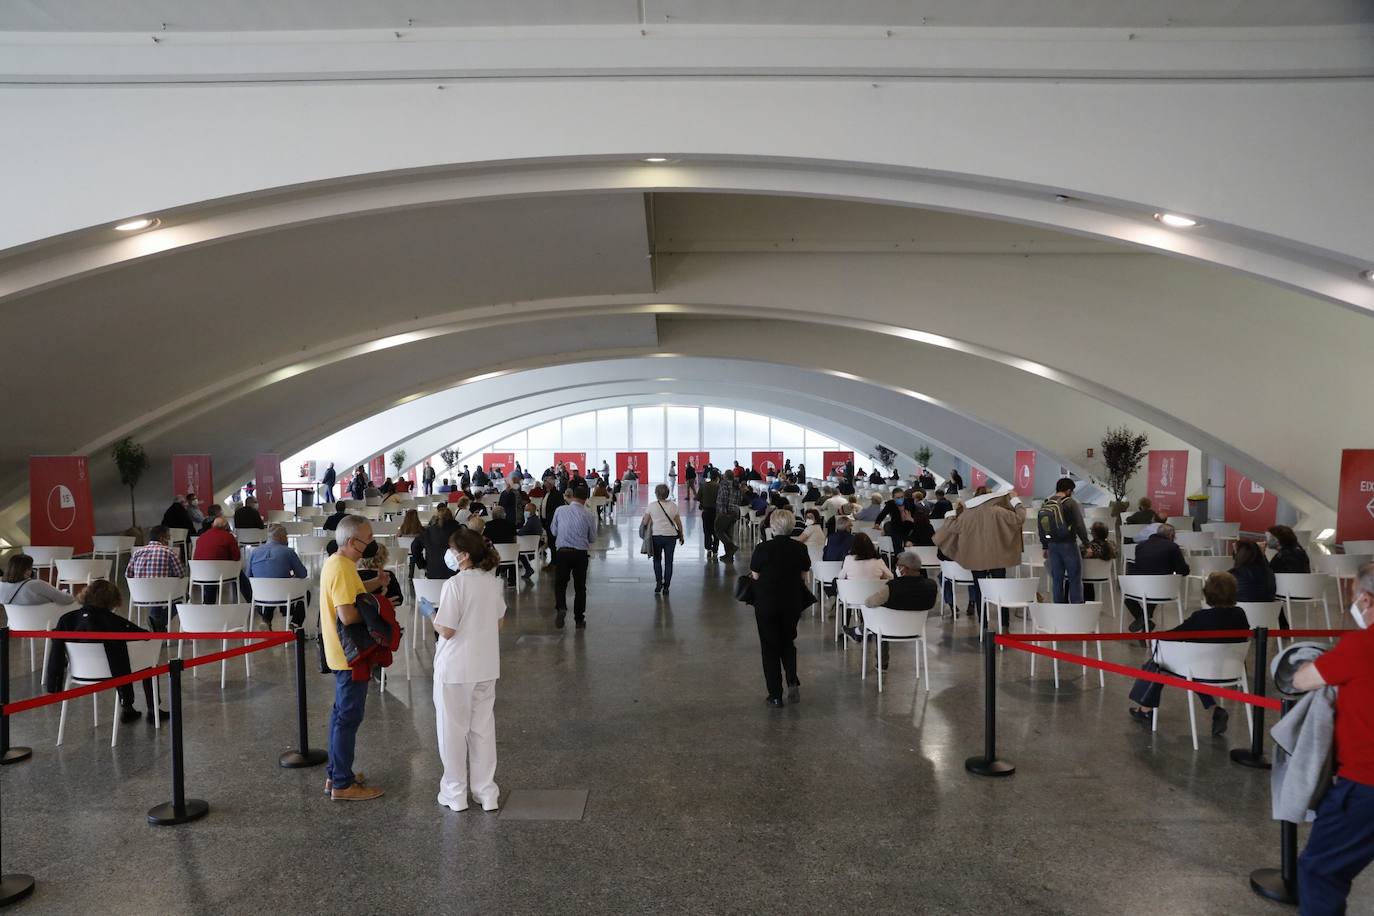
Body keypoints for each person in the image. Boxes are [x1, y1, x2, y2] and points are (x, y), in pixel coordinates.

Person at [1287, 561, 1374, 913]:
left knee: (1320, 871)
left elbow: (1301, 680)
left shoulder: (1361, 647)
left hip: (1364, 784)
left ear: (1366, 600)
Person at [431, 528, 505, 813]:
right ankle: (486, 792)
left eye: (451, 549)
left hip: (455, 668)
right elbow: (498, 622)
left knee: (452, 730)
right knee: (482, 730)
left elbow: (447, 629)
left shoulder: (455, 584)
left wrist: (431, 615)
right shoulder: (491, 582)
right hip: (485, 665)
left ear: (462, 555)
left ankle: (455, 792)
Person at [1127, 571, 1249, 733]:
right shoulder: (1240, 614)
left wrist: (1155, 636)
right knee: (1195, 669)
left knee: (1159, 662)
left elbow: (1175, 635)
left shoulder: (1200, 617)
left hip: (1202, 668)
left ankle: (1145, 710)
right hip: (1231, 668)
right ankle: (1214, 710)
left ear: (1208, 593)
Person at [320, 515, 387, 801]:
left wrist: (376, 582)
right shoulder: (344, 569)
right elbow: (347, 614)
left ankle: (335, 773)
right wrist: (380, 612)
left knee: (340, 716)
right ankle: (343, 785)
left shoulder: (337, 563)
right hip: (351, 656)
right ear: (351, 542)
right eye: (367, 539)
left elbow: (352, 593)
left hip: (338, 653)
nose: (371, 543)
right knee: (349, 717)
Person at [43, 578, 166, 725]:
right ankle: (152, 710)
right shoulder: (113, 621)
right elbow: (145, 636)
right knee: (149, 662)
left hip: (79, 672)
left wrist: (53, 685)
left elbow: (56, 651)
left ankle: (128, 708)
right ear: (112, 600)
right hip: (114, 673)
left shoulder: (66, 619)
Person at [932, 489, 1024, 626]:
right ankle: (1004, 621)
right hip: (998, 558)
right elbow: (1019, 519)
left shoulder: (968, 515)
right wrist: (1016, 502)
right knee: (1000, 590)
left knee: (980, 590)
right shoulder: (999, 511)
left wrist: (954, 511)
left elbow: (951, 526)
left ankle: (983, 623)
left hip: (976, 559)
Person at [749, 510, 812, 707]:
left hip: (767, 603)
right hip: (792, 602)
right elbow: (803, 575)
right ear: (792, 526)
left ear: (773, 526)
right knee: (788, 641)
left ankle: (775, 694)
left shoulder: (763, 548)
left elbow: (756, 576)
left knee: (769, 647)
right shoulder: (800, 548)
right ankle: (792, 679)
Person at [842, 549, 937, 666]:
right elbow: (930, 604)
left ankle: (881, 660)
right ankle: (857, 632)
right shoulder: (931, 586)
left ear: (904, 568)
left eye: (898, 565)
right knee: (884, 613)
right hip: (915, 629)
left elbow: (868, 602)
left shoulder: (892, 587)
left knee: (880, 614)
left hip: (890, 628)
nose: (896, 567)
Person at [1123, 523, 1190, 631]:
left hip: (1140, 588)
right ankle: (1145, 621)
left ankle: (1144, 620)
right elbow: (1182, 571)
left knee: (1130, 599)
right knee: (1158, 586)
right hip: (1163, 590)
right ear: (1171, 536)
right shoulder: (1173, 547)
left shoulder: (1140, 547)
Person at [247, 523, 311, 629]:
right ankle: (295, 623)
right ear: (280, 537)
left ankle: (266, 620)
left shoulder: (255, 552)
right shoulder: (288, 552)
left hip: (260, 596)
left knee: (271, 590)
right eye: (286, 536)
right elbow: (303, 574)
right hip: (285, 595)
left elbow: (248, 575)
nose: (287, 539)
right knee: (306, 593)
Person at [550, 485, 596, 629]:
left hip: (563, 552)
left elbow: (553, 530)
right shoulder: (588, 514)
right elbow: (592, 538)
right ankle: (579, 619)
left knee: (560, 584)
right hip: (580, 554)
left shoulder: (560, 510)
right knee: (580, 587)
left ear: (573, 496)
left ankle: (561, 607)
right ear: (586, 498)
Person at [1039, 477, 1091, 604]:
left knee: (1057, 579)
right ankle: (1076, 608)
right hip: (1068, 544)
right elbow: (1079, 524)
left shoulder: (1046, 503)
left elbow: (1041, 526)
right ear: (1068, 490)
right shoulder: (1070, 502)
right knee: (1074, 578)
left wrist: (1045, 546)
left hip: (1052, 546)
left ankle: (1059, 608)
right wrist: (1087, 544)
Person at [125, 525, 187, 631]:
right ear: (162, 538)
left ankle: (156, 622)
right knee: (184, 595)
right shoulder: (169, 552)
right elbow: (181, 574)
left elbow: (128, 574)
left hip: (140, 594)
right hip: (162, 594)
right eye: (168, 536)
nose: (169, 539)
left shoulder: (137, 552)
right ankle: (159, 622)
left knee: (156, 593)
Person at [642, 484, 684, 594]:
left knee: (657, 560)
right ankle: (666, 587)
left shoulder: (651, 506)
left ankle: (658, 583)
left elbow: (645, 522)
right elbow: (678, 523)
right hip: (671, 537)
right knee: (669, 562)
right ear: (667, 493)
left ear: (656, 494)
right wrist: (682, 535)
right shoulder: (673, 506)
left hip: (656, 536)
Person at [192, 516, 244, 603]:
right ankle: (253, 599)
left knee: (212, 570)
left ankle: (209, 603)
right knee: (239, 572)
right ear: (226, 526)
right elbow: (236, 557)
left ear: (213, 525)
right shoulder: (228, 537)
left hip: (200, 572)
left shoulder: (202, 537)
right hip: (218, 572)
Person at [0, 554, 78, 607]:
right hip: (45, 623)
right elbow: (68, 600)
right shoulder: (35, 585)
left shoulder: (1, 585)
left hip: (16, 626)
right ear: (27, 570)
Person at [1080, 521, 1118, 600]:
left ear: (1093, 534)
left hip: (1087, 576)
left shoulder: (1087, 548)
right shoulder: (1112, 546)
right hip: (1104, 575)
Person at [483, 507, 517, 587]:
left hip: (494, 556)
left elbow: (485, 541)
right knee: (513, 552)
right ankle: (512, 581)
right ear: (504, 514)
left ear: (493, 515)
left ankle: (492, 577)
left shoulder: (488, 525)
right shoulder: (511, 524)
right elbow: (515, 541)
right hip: (510, 556)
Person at [713, 471, 742, 562]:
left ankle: (732, 547)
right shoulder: (737, 485)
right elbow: (740, 499)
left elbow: (723, 498)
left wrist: (722, 513)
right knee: (728, 533)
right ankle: (729, 556)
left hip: (725, 512)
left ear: (725, 476)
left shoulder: (724, 484)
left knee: (718, 530)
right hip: (735, 512)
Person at [541, 477, 566, 564]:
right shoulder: (546, 493)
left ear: (550, 484)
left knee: (553, 542)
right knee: (550, 542)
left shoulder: (557, 494)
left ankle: (555, 561)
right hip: (546, 521)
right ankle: (554, 560)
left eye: (546, 483)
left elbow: (560, 509)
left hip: (553, 522)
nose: (544, 484)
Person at [697, 471, 720, 557]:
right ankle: (715, 550)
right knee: (716, 531)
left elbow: (698, 497)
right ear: (717, 478)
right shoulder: (719, 486)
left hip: (706, 512)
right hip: (716, 513)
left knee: (707, 531)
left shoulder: (703, 485)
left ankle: (708, 548)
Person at [516, 506, 543, 579]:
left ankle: (528, 568)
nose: (525, 511)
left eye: (527, 510)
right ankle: (528, 569)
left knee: (516, 550)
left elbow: (521, 532)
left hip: (528, 545)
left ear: (532, 511)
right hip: (534, 543)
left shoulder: (531, 521)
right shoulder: (536, 520)